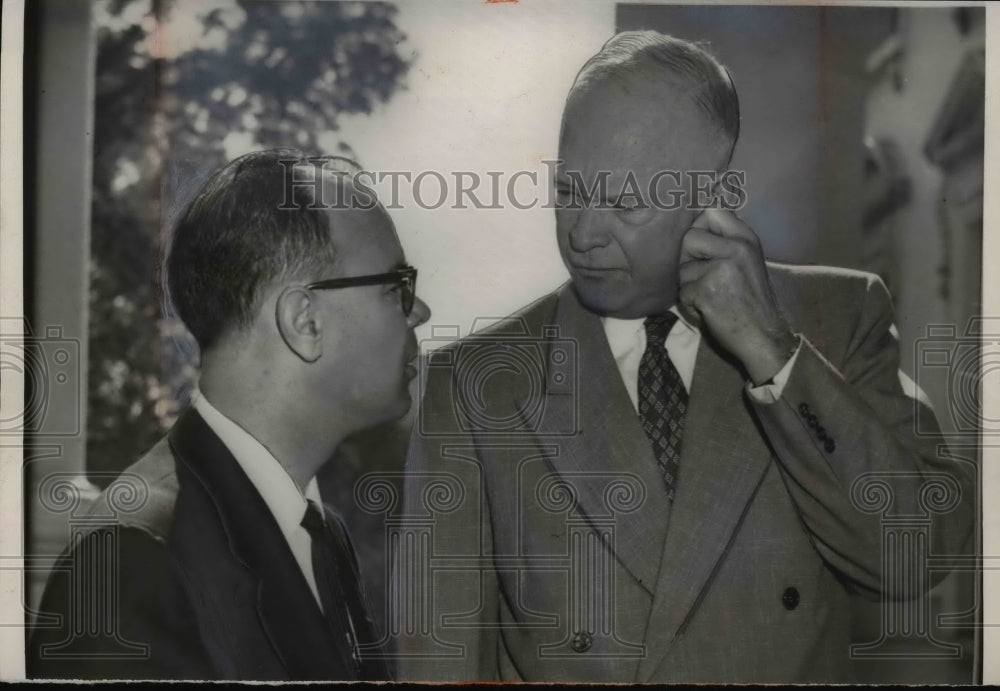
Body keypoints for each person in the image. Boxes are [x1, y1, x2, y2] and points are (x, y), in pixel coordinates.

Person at [397, 32, 975, 683]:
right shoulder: (475, 385)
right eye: (569, 188)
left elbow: (915, 557)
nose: (582, 232)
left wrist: (774, 353)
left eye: (623, 202)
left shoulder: (837, 319)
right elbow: (438, 665)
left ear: (709, 196)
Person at [27, 149, 430, 680]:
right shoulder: (132, 560)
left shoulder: (320, 535)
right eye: (395, 286)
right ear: (303, 321)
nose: (419, 311)